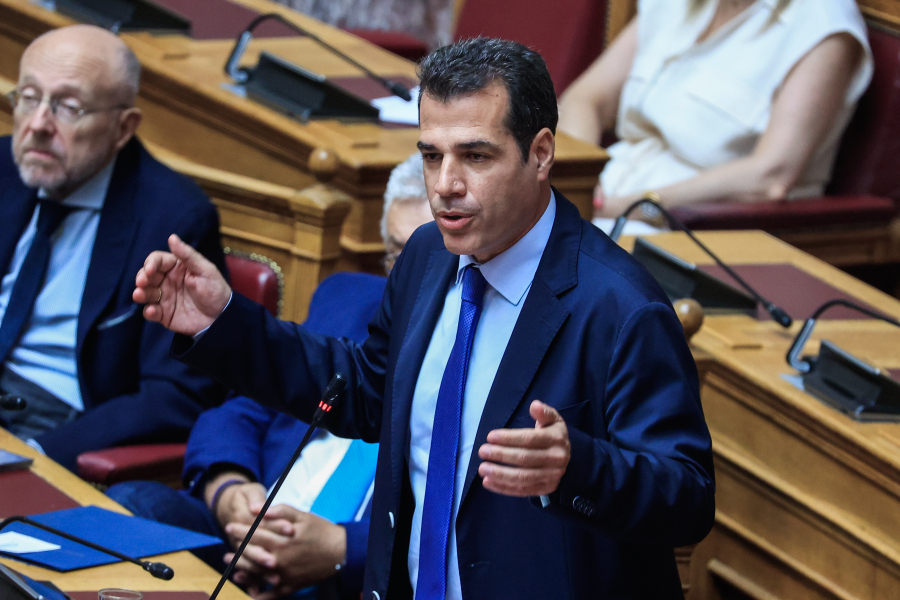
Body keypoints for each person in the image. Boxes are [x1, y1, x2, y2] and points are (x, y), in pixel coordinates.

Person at [135, 38, 715, 599]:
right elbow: (366, 391)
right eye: (432, 156)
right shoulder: (427, 253)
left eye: (475, 156)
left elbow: (688, 497)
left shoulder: (622, 307)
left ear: (540, 154)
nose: (445, 186)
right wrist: (224, 321)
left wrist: (578, 467)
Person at [108, 154, 433, 600]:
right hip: (244, 532)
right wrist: (230, 489)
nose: (411, 278)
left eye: (430, 258)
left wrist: (342, 549)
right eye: (399, 256)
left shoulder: (481, 356)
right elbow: (241, 409)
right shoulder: (348, 299)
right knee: (128, 508)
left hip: (349, 576)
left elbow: (469, 531)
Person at [0, 25, 227, 470]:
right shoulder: (4, 168)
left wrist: (42, 455)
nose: (38, 125)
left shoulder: (173, 218)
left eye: (68, 107)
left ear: (123, 128)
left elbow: (177, 392)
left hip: (58, 420)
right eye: (28, 97)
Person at [558, 0, 872, 229]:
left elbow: (770, 176)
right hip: (606, 191)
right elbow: (584, 99)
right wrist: (581, 181)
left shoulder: (822, 25)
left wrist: (627, 206)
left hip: (697, 225)